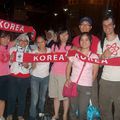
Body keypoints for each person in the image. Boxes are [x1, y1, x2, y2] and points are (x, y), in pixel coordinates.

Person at [65, 32, 99, 120]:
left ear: (90, 41)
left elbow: (95, 73)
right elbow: (68, 66)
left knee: (82, 111)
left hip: (86, 87)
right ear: (79, 42)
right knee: (72, 109)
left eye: (87, 40)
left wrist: (88, 83)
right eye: (82, 40)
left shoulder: (94, 56)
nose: (84, 42)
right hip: (73, 84)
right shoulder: (74, 53)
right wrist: (68, 79)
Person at [97, 15, 120, 120]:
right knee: (105, 111)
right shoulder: (100, 43)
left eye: (109, 24)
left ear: (114, 25)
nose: (107, 27)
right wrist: (103, 56)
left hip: (119, 82)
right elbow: (99, 64)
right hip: (105, 81)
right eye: (104, 25)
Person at [6, 33, 31, 120]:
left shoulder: (29, 51)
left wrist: (27, 65)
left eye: (25, 41)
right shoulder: (12, 49)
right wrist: (11, 60)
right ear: (18, 41)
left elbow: (30, 66)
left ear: (27, 42)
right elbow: (7, 63)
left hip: (25, 77)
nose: (23, 42)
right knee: (12, 96)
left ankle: (20, 114)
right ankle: (9, 113)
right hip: (13, 76)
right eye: (21, 40)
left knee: (22, 97)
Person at [49, 27, 72, 120]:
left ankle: (65, 115)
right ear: (58, 35)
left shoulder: (71, 47)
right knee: (56, 96)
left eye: (66, 34)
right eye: (62, 34)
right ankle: (56, 114)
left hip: (64, 75)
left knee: (65, 97)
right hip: (53, 73)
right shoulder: (54, 46)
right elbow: (49, 58)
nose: (63, 36)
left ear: (68, 36)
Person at [29, 36, 51, 120]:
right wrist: (35, 59)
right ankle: (32, 115)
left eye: (42, 42)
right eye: (38, 42)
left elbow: (57, 57)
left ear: (45, 42)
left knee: (42, 97)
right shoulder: (34, 52)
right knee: (35, 98)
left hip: (45, 77)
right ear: (36, 44)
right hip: (35, 77)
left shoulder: (49, 51)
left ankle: (41, 112)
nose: (40, 44)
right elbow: (32, 67)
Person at [0, 31, 13, 120]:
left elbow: (17, 40)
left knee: (2, 98)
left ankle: (1, 116)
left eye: (8, 38)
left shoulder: (8, 46)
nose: (6, 40)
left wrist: (26, 31)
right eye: (3, 37)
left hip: (6, 76)